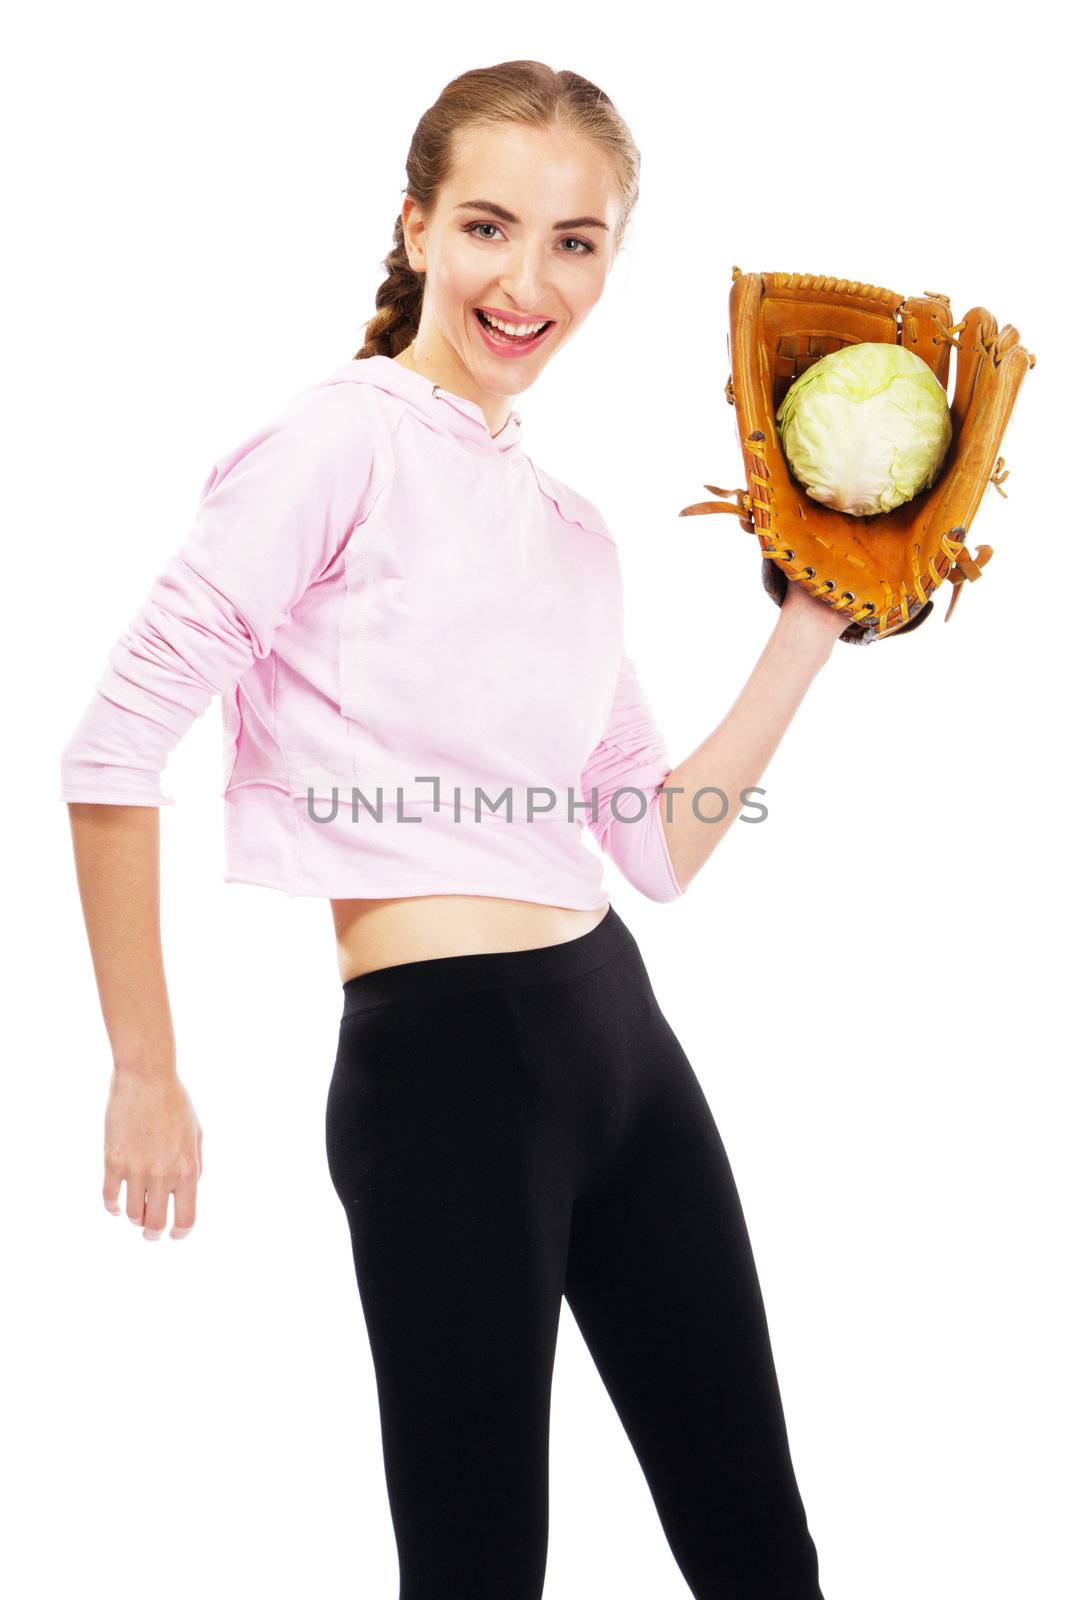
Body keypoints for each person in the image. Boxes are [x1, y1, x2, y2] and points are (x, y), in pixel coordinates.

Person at [60, 59, 847, 1600]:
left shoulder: (569, 527)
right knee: (480, 1575)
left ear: (610, 264)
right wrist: (145, 1067)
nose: (527, 279)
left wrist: (811, 625)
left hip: (621, 1035)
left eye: (576, 242)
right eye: (489, 226)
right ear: (415, 227)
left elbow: (658, 843)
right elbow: (112, 747)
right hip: (446, 1078)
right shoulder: (334, 445)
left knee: (760, 1550)